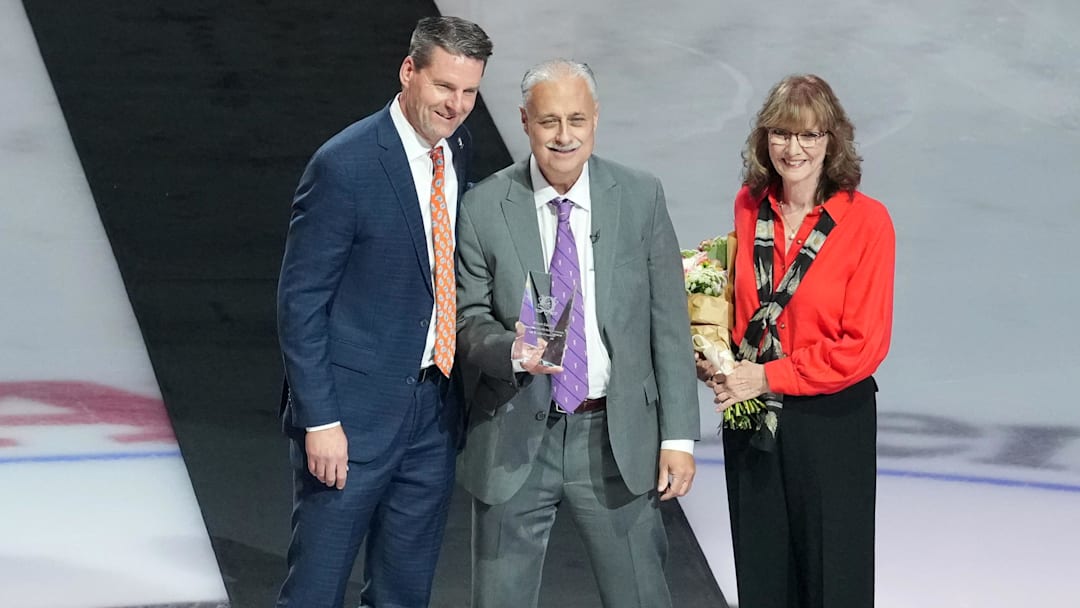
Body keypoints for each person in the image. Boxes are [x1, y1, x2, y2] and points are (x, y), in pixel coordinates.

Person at [454, 58, 700, 608]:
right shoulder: (484, 206)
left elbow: (669, 323)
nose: (564, 136)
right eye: (548, 122)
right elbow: (467, 320)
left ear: (595, 119)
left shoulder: (639, 196)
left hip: (615, 438)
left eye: (576, 120)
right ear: (524, 121)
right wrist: (510, 351)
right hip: (515, 435)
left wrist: (678, 437)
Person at [274, 16, 492, 608]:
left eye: (469, 91)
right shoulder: (344, 165)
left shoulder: (458, 149)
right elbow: (301, 303)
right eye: (444, 86)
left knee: (404, 593)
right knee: (316, 591)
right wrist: (319, 420)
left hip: (433, 413)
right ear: (408, 71)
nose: (455, 105)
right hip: (351, 418)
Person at [703, 74, 894, 608]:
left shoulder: (867, 221)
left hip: (830, 423)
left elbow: (863, 345)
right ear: (765, 139)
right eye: (782, 134)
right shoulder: (750, 204)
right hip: (753, 413)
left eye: (809, 135)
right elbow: (746, 309)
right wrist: (716, 356)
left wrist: (766, 375)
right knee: (762, 571)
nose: (795, 148)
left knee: (834, 576)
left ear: (832, 141)